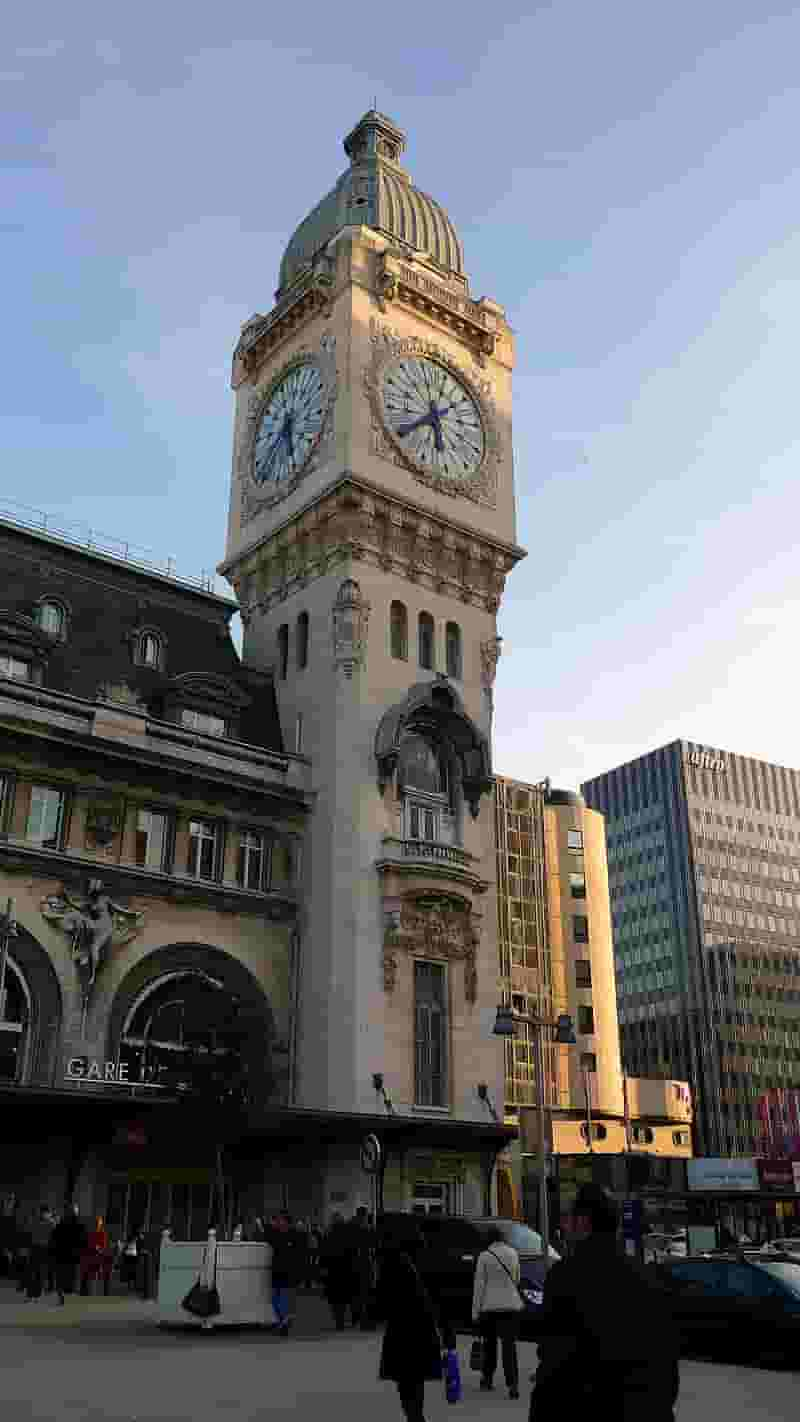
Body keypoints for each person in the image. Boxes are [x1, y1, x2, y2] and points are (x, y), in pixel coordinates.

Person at [531, 1184, 680, 1422]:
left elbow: (555, 1363)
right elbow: (667, 1364)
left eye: (569, 1217)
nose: (565, 1225)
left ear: (584, 1222)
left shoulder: (566, 1276)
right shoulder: (649, 1276)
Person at [377, 1226, 443, 1422]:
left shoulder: (392, 1262)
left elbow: (382, 1299)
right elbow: (438, 1297)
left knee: (405, 1379)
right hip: (422, 1328)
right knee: (416, 1379)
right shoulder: (427, 1261)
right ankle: (416, 1415)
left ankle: (413, 1415)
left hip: (400, 1330)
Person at [471, 1225, 522, 1399]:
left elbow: (479, 1285)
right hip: (511, 1306)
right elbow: (516, 1278)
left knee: (490, 1343)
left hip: (490, 1307)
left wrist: (475, 1312)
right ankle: (513, 1383)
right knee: (509, 1346)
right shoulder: (513, 1253)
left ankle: (487, 1378)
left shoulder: (484, 1256)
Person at [319, 1212, 357, 1330]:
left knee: (335, 1298)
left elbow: (323, 1252)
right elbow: (352, 1251)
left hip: (332, 1270)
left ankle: (338, 1321)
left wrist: (322, 1267)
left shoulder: (328, 1234)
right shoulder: (349, 1233)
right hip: (346, 1269)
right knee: (345, 1296)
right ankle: (346, 1319)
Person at [265, 1212, 297, 1337]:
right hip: (277, 1269)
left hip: (285, 1270)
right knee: (274, 1298)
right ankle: (283, 1320)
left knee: (281, 1296)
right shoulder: (276, 1233)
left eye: (281, 1220)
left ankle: (282, 1320)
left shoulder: (291, 1235)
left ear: (287, 1222)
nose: (279, 1222)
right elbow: (267, 1237)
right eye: (278, 1220)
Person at [50, 1202, 88, 1306]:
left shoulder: (62, 1222)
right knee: (71, 1276)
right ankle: (67, 1295)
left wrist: (54, 1250)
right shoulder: (79, 1223)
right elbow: (83, 1239)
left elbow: (55, 1236)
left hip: (62, 1253)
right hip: (73, 1254)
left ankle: (62, 1295)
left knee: (62, 1276)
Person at [350, 1205, 377, 1329]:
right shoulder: (368, 1229)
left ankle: (357, 1318)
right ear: (365, 1215)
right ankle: (366, 1321)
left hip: (355, 1264)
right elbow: (374, 1246)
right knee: (367, 1294)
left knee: (357, 1293)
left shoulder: (352, 1228)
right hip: (365, 1264)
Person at [24, 1206, 56, 1301]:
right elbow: (29, 1232)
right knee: (33, 1272)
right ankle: (31, 1294)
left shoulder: (49, 1222)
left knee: (39, 1273)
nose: (43, 1214)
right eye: (43, 1213)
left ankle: (35, 1294)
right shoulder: (39, 1221)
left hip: (42, 1248)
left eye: (44, 1213)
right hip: (36, 1247)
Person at [80, 1215, 112, 1296]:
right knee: (86, 1272)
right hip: (91, 1256)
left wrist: (97, 1247)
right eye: (96, 1223)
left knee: (99, 1273)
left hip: (98, 1257)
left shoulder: (102, 1233)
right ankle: (85, 1291)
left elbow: (102, 1246)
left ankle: (101, 1291)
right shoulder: (91, 1233)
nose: (97, 1225)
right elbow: (88, 1243)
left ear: (100, 1224)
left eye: (98, 1223)